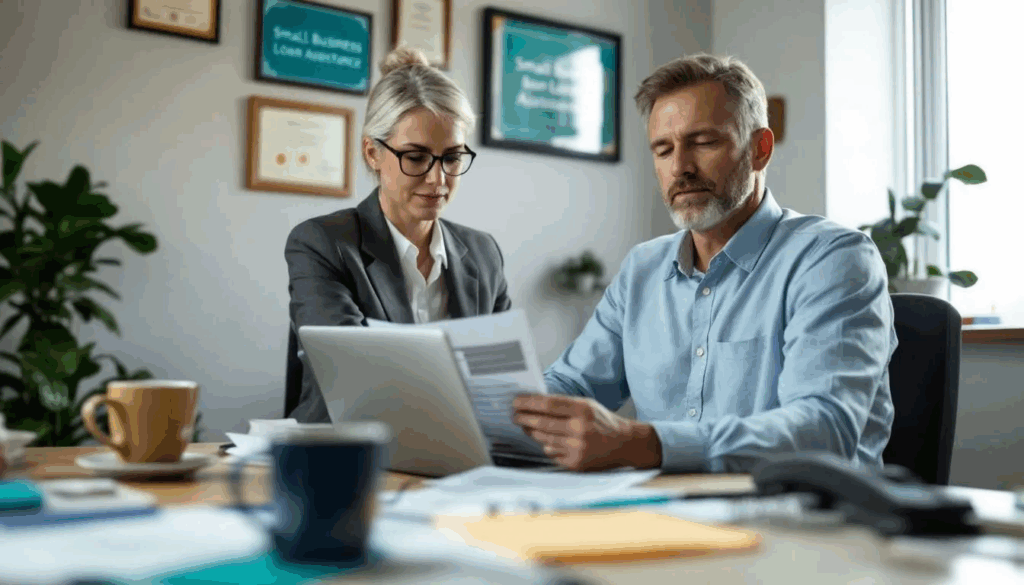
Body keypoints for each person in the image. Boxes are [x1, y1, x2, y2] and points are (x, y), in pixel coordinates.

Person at [514, 53, 897, 473]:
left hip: (801, 520)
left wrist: (644, 444)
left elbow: (823, 430)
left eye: (703, 142)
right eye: (663, 149)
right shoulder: (643, 268)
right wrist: (492, 411)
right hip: (663, 515)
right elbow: (573, 385)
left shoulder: (832, 260)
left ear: (759, 149)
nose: (680, 167)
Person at [286, 47, 512, 423]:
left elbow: (502, 379)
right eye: (416, 157)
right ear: (372, 152)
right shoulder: (322, 244)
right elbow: (352, 374)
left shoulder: (483, 252)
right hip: (352, 453)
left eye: (452, 157)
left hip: (458, 460)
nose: (438, 179)